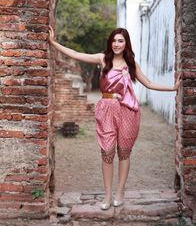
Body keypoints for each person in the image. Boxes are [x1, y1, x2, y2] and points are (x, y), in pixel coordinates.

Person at [49, 26, 181, 210]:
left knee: (124, 152)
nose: (116, 44)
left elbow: (148, 83)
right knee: (107, 151)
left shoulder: (131, 64)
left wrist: (172, 88)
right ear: (110, 42)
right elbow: (76, 54)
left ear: (126, 43)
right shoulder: (102, 58)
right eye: (114, 40)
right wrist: (53, 43)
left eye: (120, 41)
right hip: (107, 109)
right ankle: (108, 195)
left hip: (127, 110)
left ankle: (120, 192)